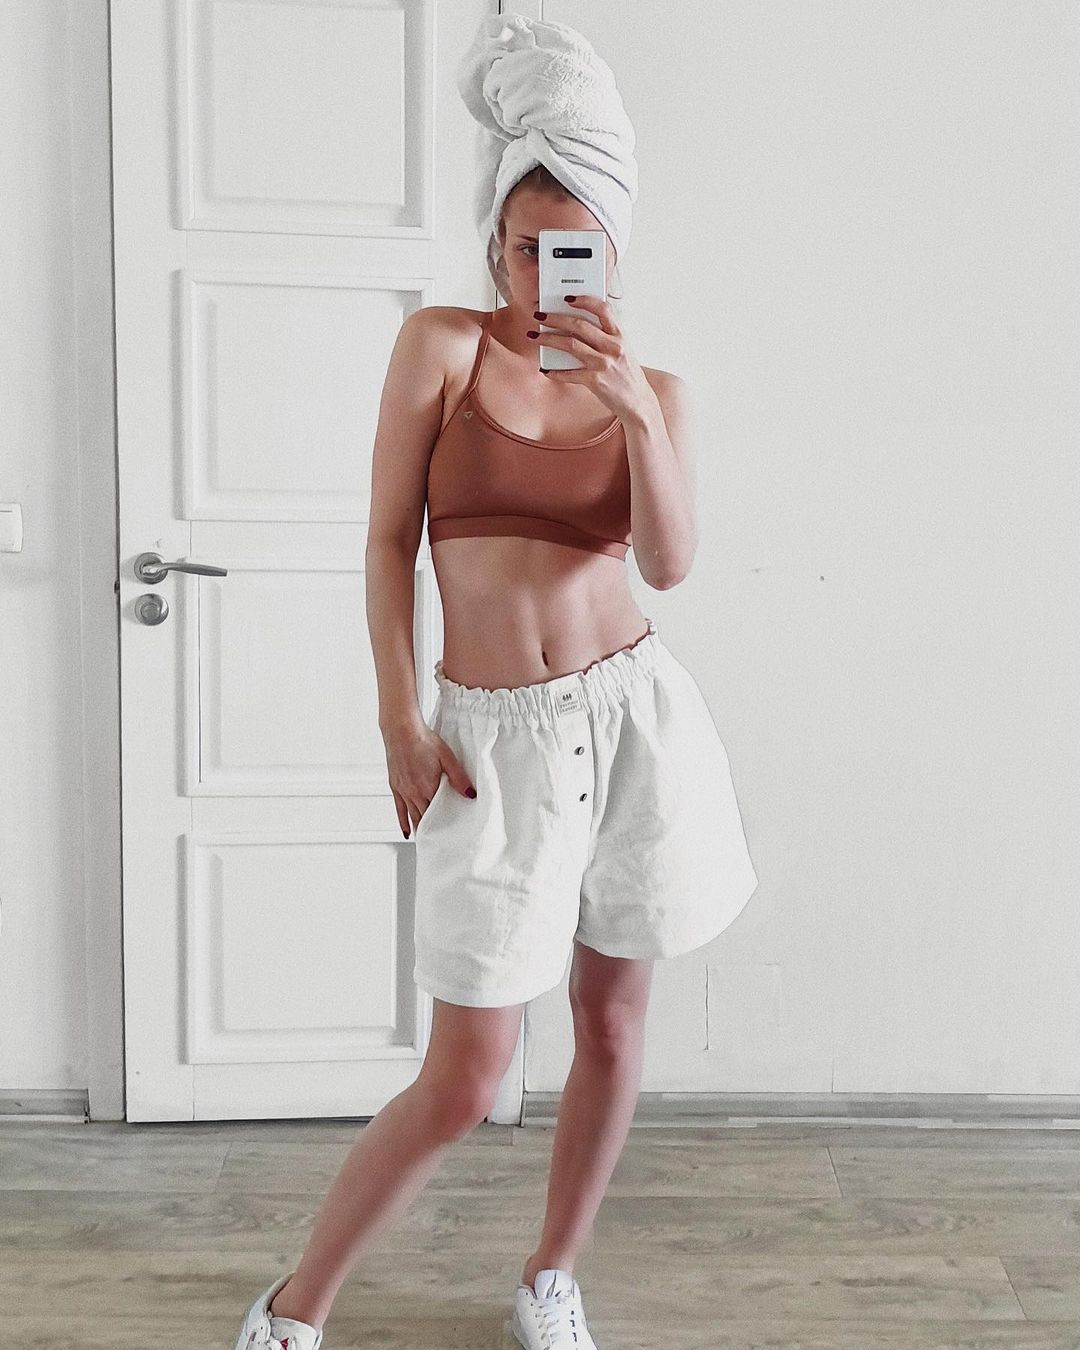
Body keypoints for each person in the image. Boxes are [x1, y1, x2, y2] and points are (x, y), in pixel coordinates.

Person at [233, 17, 757, 1350]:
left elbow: (671, 563)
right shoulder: (443, 349)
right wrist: (398, 718)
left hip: (634, 726)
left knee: (613, 1025)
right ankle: (295, 1307)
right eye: (527, 247)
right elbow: (384, 542)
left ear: (613, 254)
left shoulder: (659, 390)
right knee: (468, 1072)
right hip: (490, 741)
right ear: (494, 245)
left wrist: (635, 412)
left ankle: (551, 1276)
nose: (544, 275)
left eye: (575, 249)